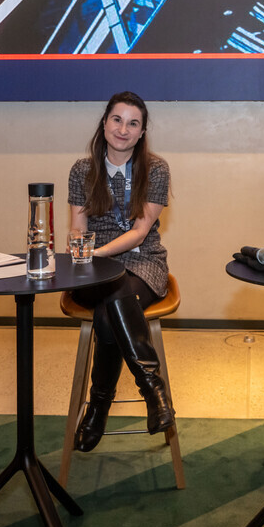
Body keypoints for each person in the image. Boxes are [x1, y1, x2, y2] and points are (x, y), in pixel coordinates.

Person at [68, 91, 174, 452]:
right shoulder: (83, 170)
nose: (123, 129)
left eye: (133, 123)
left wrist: (98, 252)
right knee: (113, 292)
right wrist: (87, 255)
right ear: (104, 122)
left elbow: (140, 232)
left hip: (143, 262)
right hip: (94, 268)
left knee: (112, 304)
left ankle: (98, 407)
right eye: (117, 120)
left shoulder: (155, 169)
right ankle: (153, 390)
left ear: (142, 132)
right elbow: (77, 231)